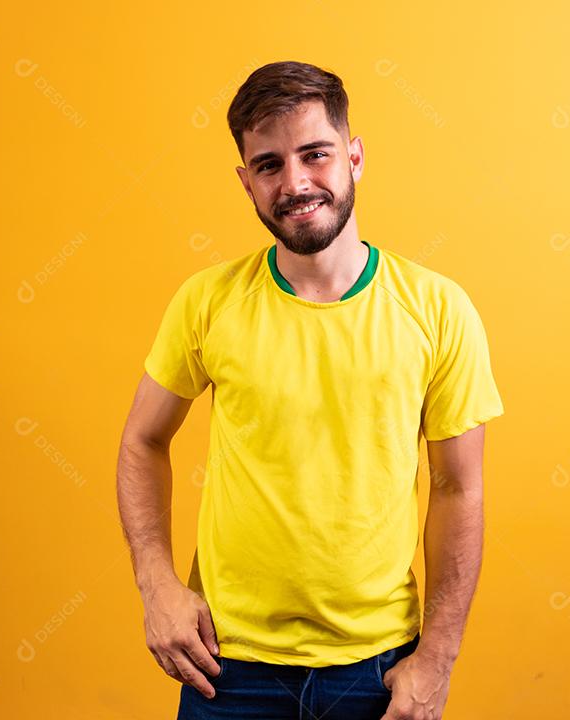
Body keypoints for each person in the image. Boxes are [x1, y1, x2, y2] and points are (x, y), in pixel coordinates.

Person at [116, 60, 505, 720]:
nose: (294, 182)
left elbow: (458, 488)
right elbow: (141, 441)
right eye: (268, 165)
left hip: (377, 672)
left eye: (315, 154)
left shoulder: (438, 310)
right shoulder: (208, 302)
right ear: (246, 182)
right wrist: (156, 583)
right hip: (226, 669)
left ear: (354, 156)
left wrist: (436, 659)